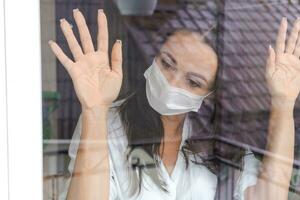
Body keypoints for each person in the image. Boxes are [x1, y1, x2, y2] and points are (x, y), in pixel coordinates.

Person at [48, 8, 298, 200]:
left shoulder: (222, 139)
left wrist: (283, 103)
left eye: (193, 82)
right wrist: (93, 109)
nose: (172, 83)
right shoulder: (106, 121)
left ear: (210, 95)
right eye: (167, 64)